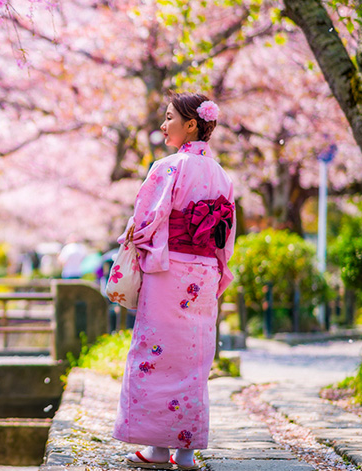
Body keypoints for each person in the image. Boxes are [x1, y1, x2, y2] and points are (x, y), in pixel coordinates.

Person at [112, 92, 235, 470]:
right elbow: (225, 236)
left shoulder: (168, 166)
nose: (164, 126)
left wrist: (133, 234)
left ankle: (157, 449)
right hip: (203, 273)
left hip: (169, 272)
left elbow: (147, 222)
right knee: (193, 361)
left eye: (169, 118)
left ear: (191, 125)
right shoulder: (222, 175)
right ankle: (185, 450)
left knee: (156, 355)